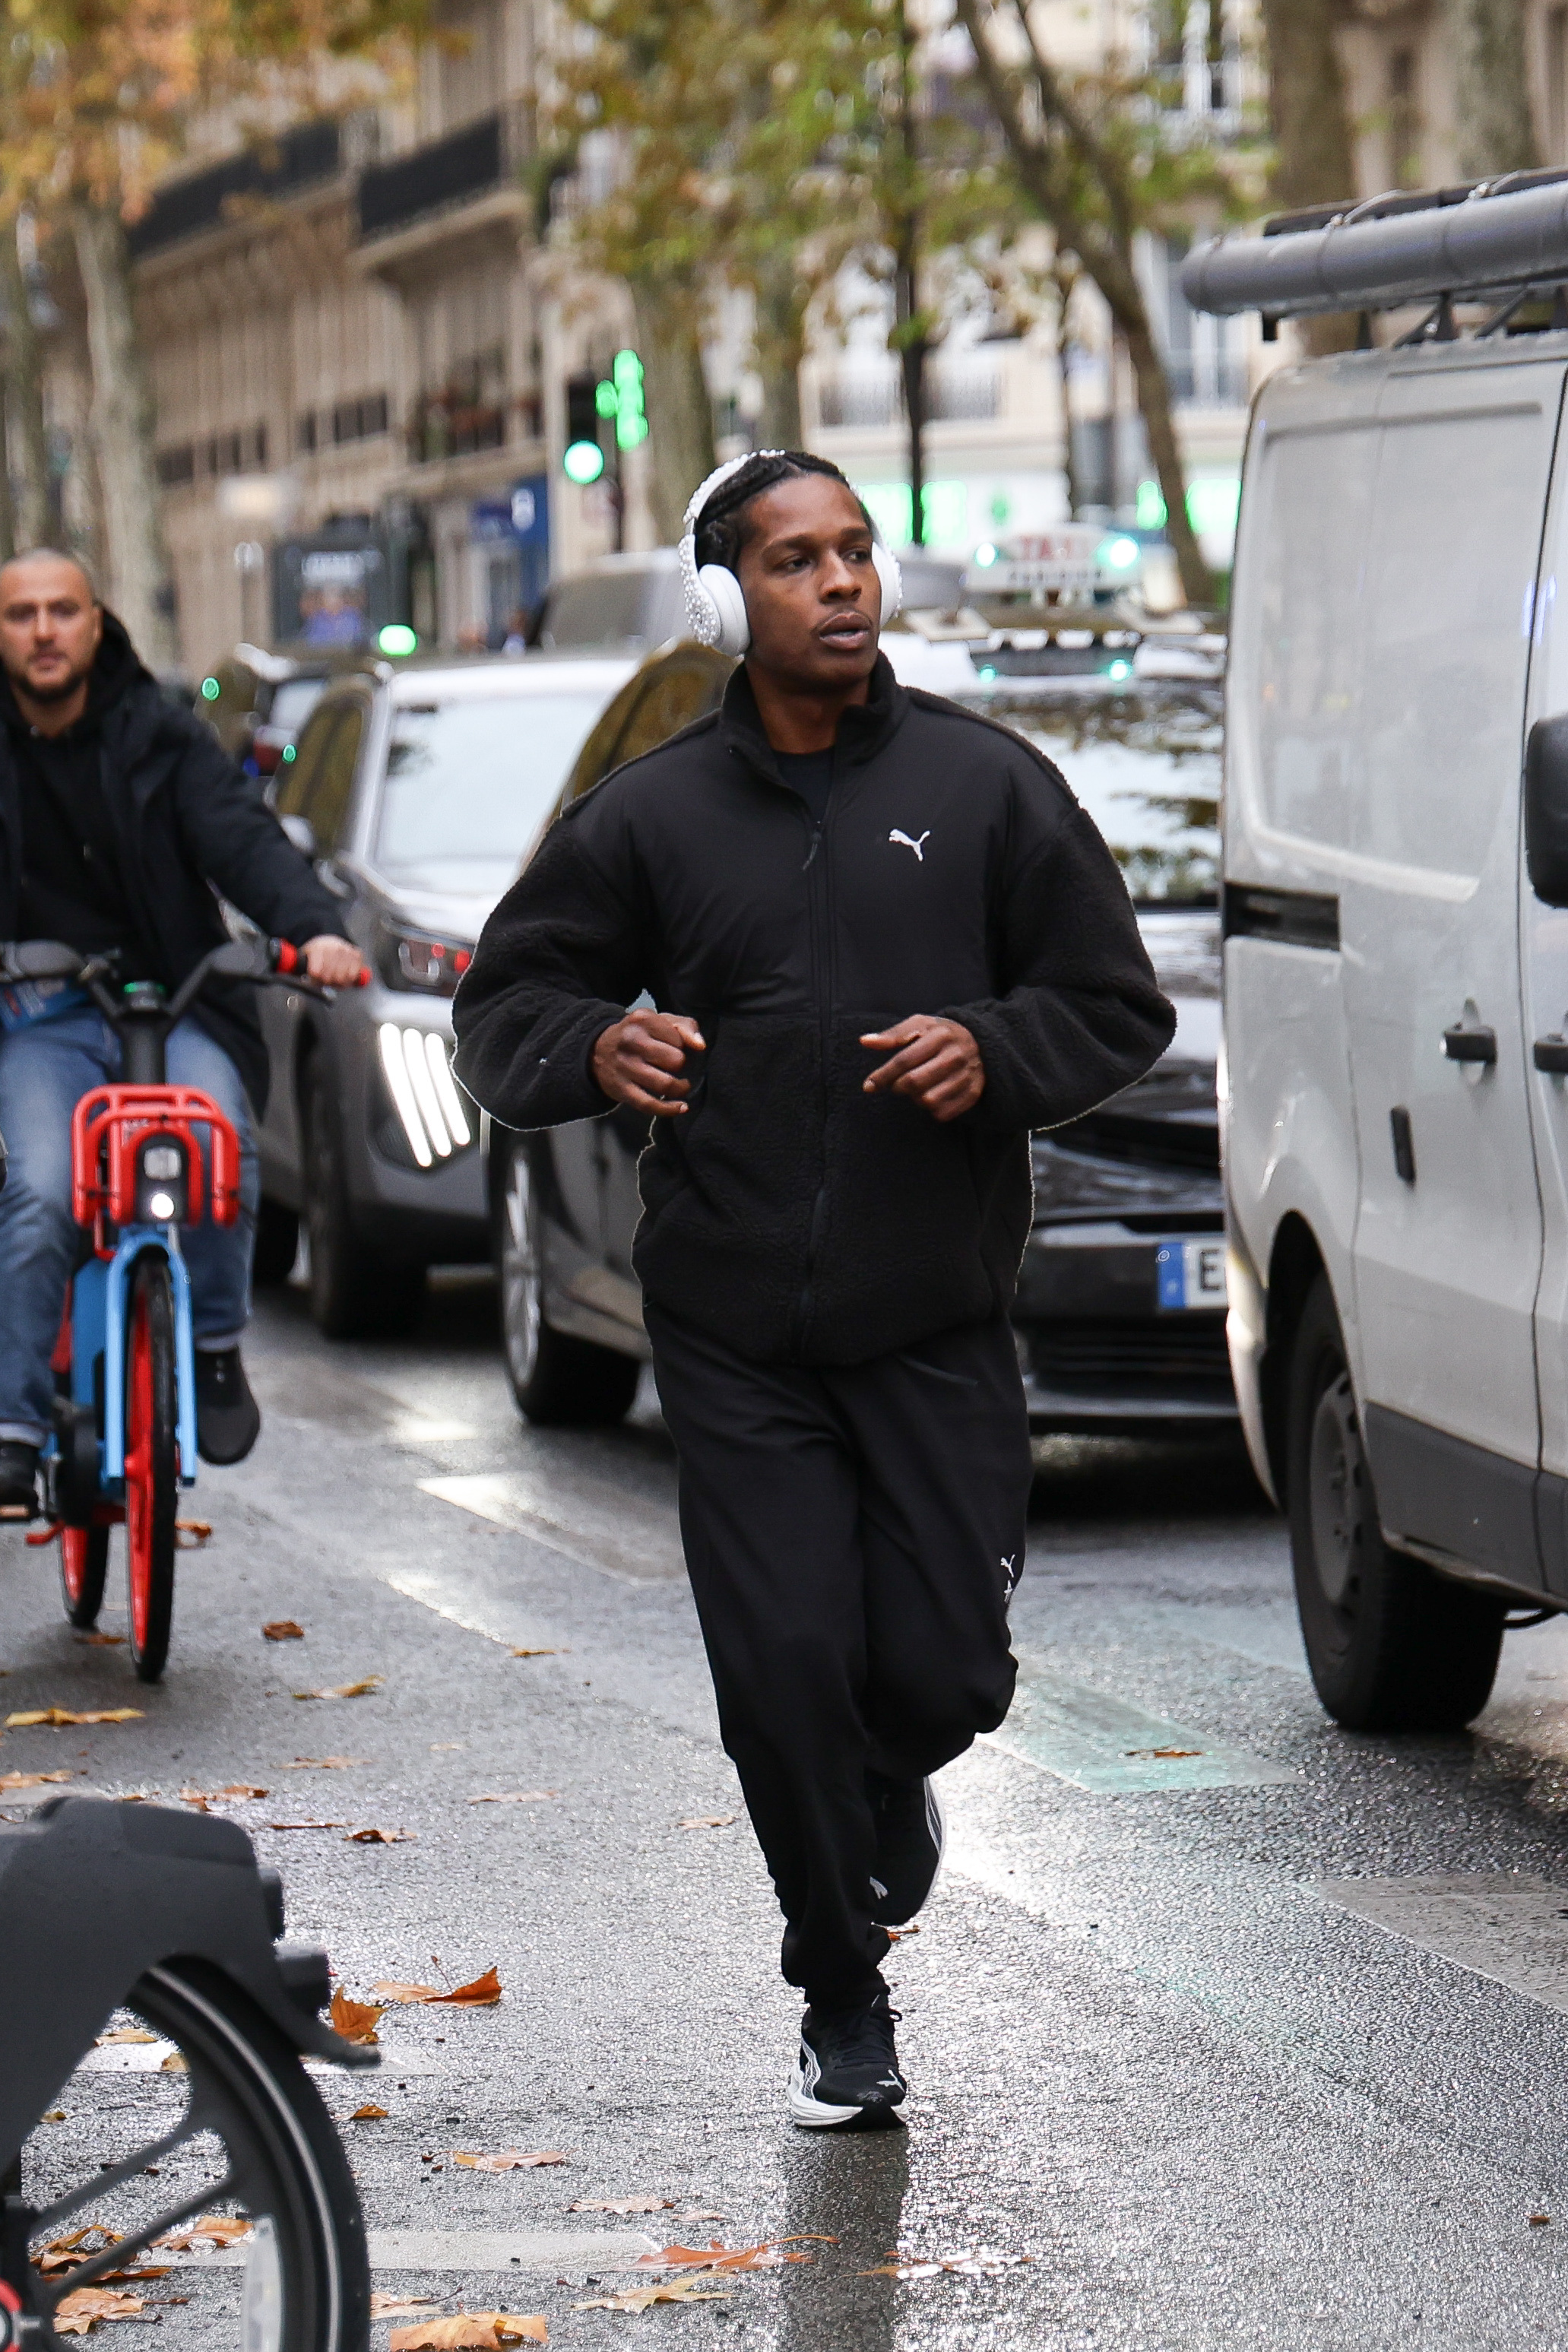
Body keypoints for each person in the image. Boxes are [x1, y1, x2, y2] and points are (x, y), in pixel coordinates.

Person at [453, 452, 1174, 2129]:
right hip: (730, 1332)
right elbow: (502, 1011)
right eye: (794, 559)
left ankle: (884, 1773)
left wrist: (991, 1049)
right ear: (724, 600)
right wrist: (595, 1043)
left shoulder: (985, 786)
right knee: (780, 1666)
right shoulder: (647, 816)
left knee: (945, 1673)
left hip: (929, 1315)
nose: (840, 580)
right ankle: (839, 1994)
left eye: (854, 551)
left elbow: (1112, 1003)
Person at [0, 549, 363, 1514]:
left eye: (62, 611)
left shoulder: (159, 733)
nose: (44, 631)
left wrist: (316, 931)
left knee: (217, 1143)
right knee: (40, 1188)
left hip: (176, 999)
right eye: (22, 614)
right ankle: (15, 1427)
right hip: (40, 1014)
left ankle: (210, 1346)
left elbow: (243, 838)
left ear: (95, 623)